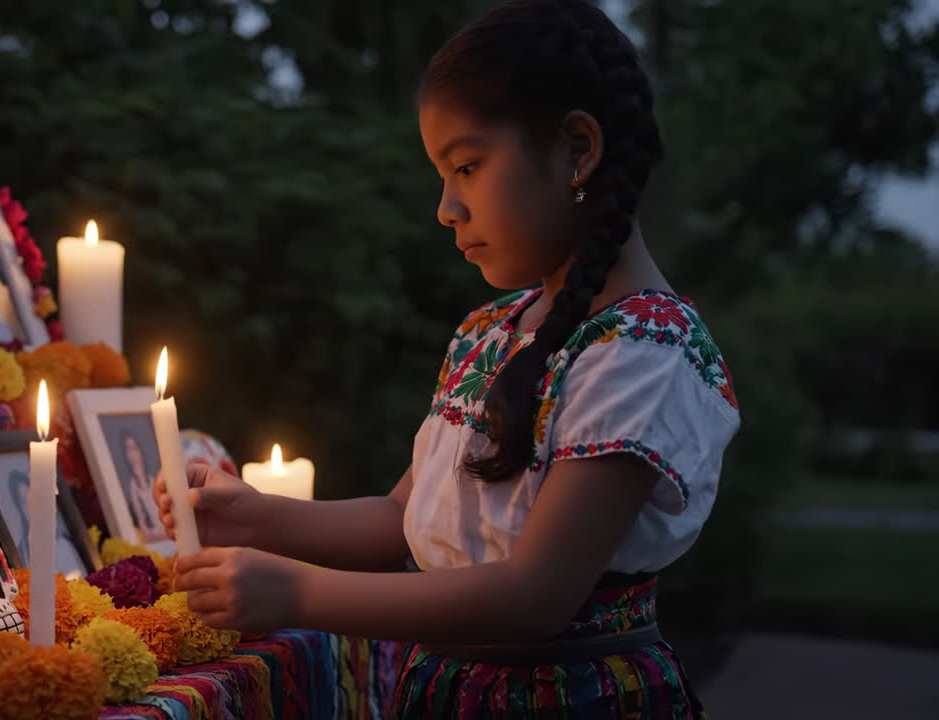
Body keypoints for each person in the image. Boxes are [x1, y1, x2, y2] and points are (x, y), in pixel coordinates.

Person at [154, 1, 741, 717]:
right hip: (445, 690)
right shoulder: (493, 330)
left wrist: (299, 591)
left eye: (466, 166)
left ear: (578, 150)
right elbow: (401, 518)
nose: (445, 208)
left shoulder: (643, 350)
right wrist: (259, 516)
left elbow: (535, 596)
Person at [119, 430, 164, 542]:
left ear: (140, 451)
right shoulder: (133, 486)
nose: (132, 455)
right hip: (156, 538)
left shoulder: (154, 477)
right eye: (128, 450)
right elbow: (143, 527)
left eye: (134, 449)